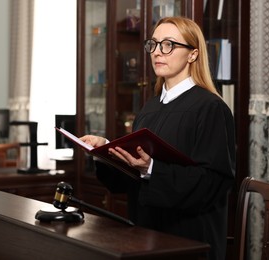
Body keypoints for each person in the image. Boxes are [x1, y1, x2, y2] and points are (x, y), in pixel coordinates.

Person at [81, 16, 236, 260]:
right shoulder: (149, 108)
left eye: (169, 45)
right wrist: (106, 154)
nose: (157, 52)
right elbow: (130, 181)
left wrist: (152, 169)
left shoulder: (211, 108)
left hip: (189, 239)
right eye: (153, 44)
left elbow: (213, 182)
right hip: (144, 234)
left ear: (193, 54)